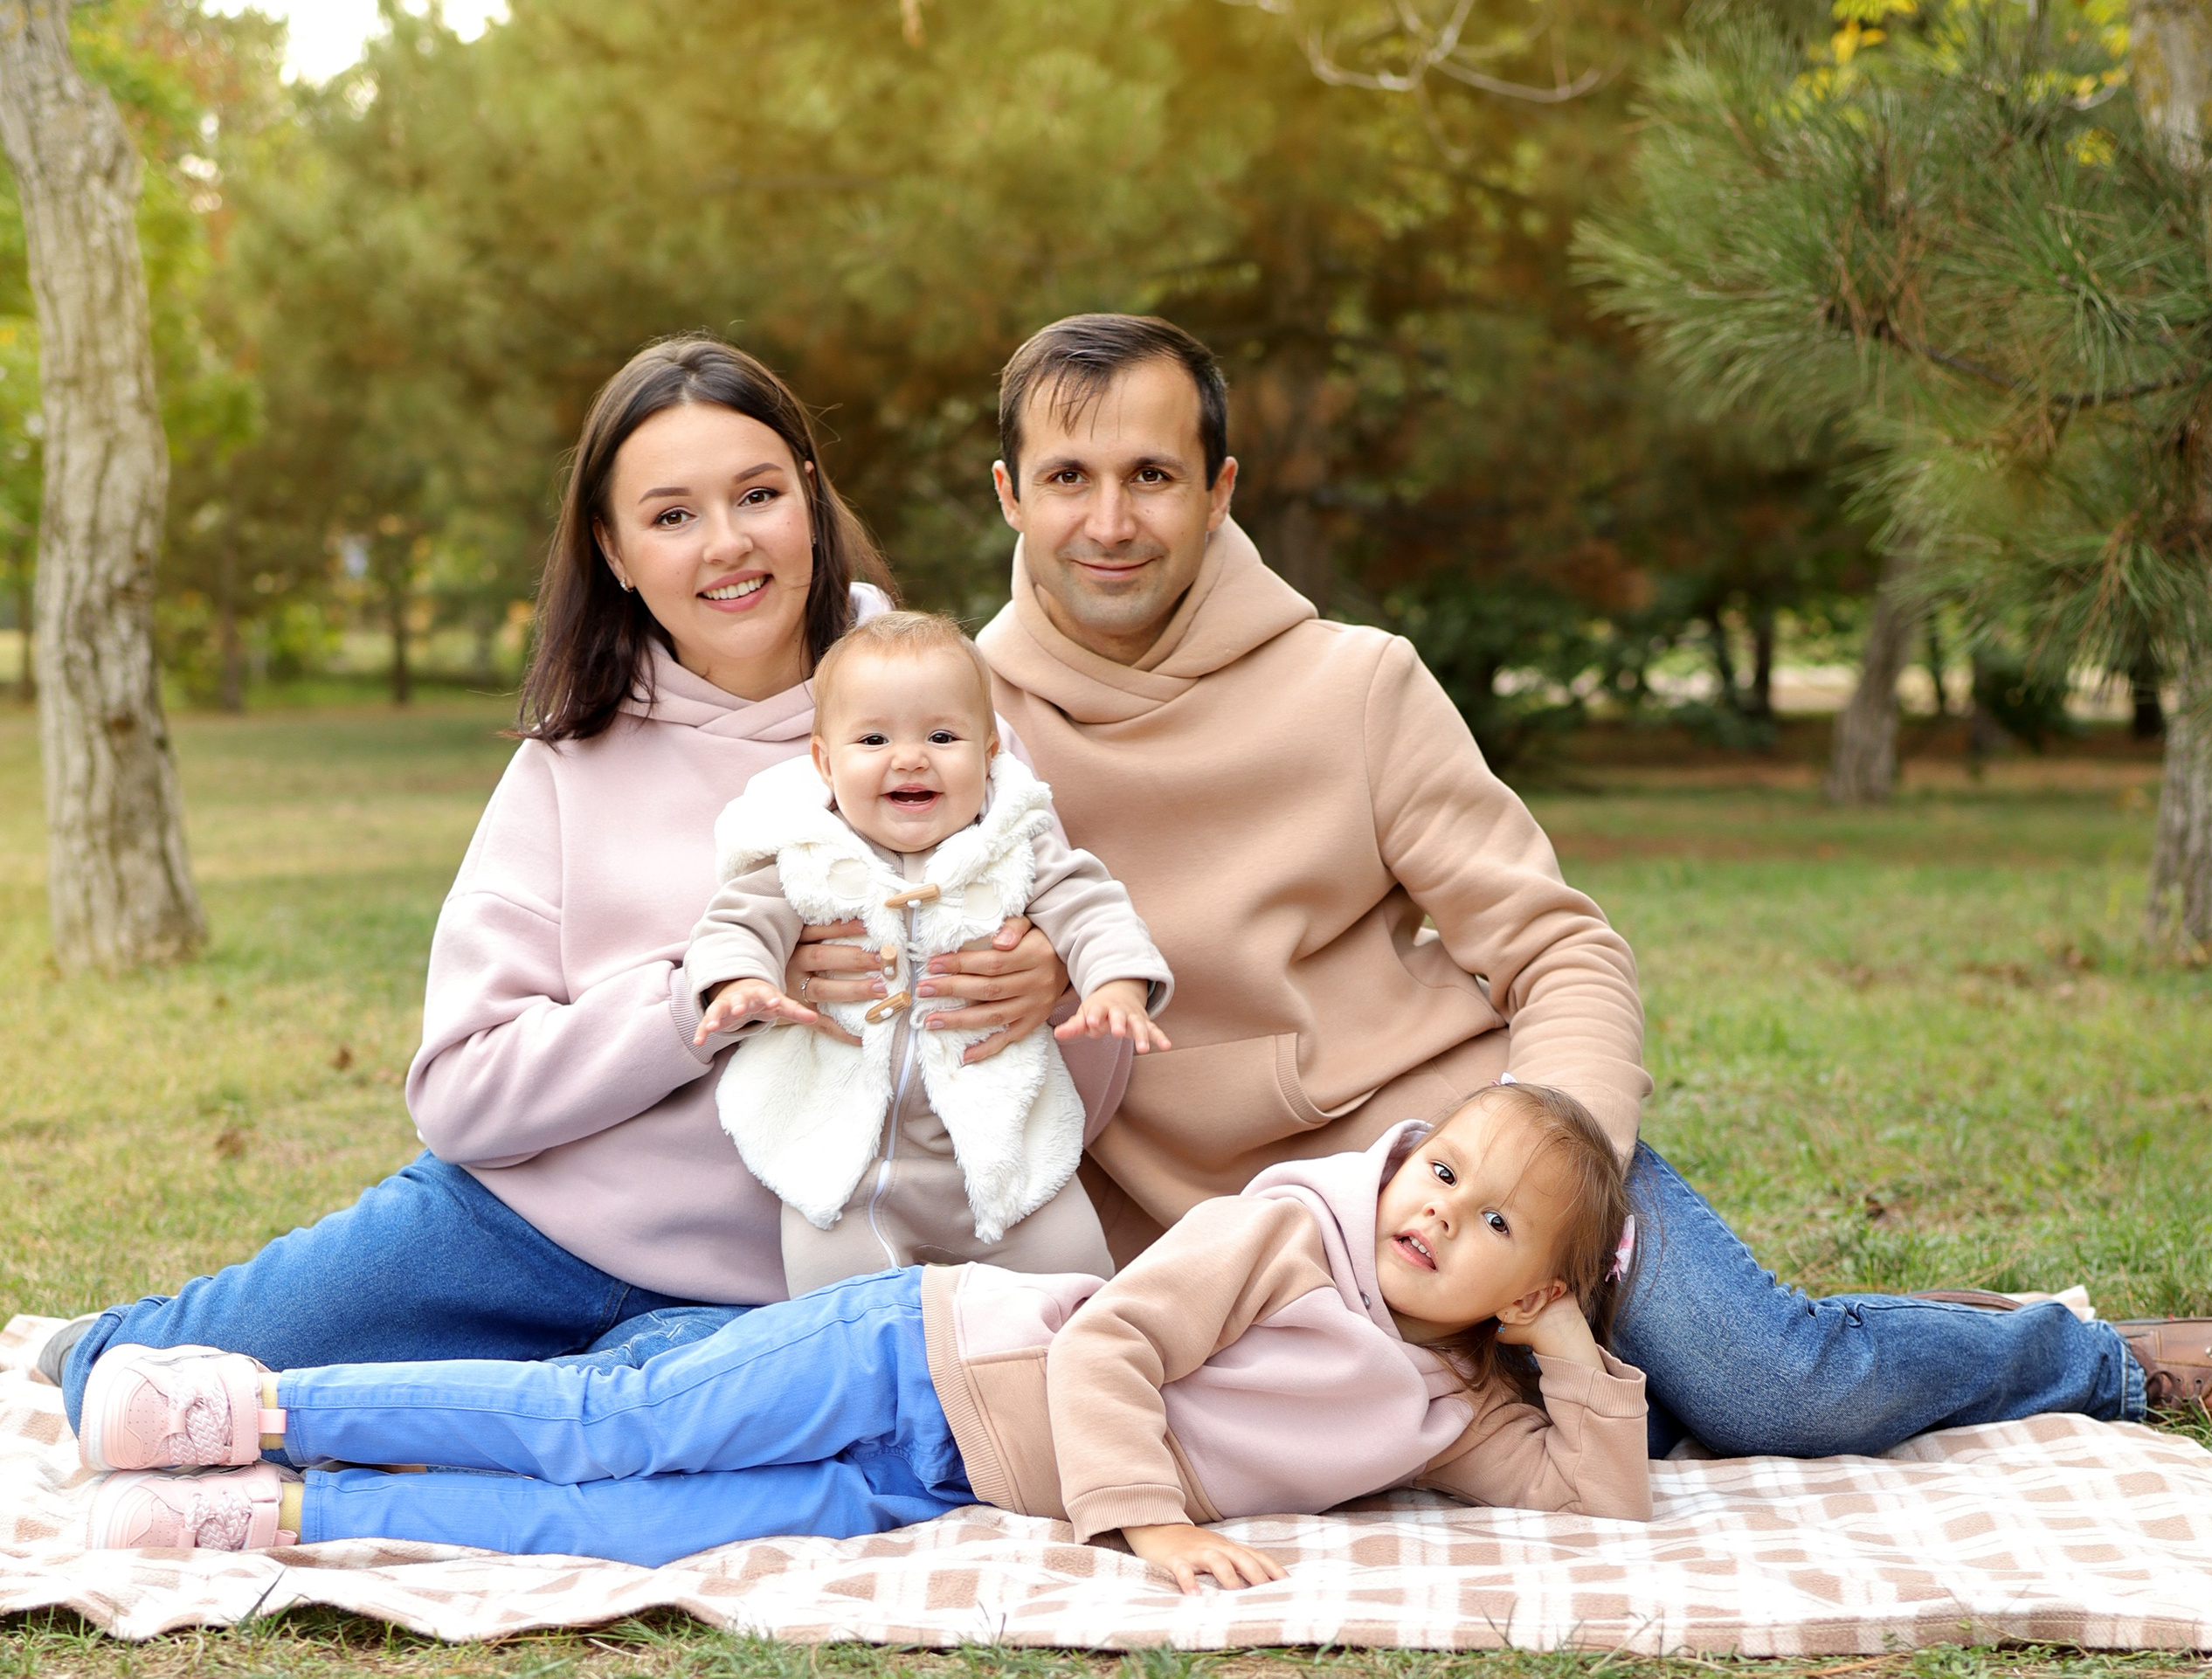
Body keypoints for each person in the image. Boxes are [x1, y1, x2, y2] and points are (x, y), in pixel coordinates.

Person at [971, 311, 2212, 1451]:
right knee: (1648, 1421)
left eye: (1153, 475)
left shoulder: (1354, 683)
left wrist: (1550, 1162)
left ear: (1219, 489)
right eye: (1068, 478)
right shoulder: (953, 724)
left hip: (1474, 1165)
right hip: (1233, 1234)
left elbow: (1557, 946)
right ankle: (1869, 1328)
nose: (1112, 521)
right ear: (1011, 497)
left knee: (1771, 1392)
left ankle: (2105, 1355)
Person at [44, 335, 1098, 1428]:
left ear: (811, 499)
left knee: (615, 1431)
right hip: (509, 1230)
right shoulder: (566, 761)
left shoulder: (944, 728)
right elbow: (457, 1094)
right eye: (672, 514)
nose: (728, 544)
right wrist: (695, 996)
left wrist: (1052, 990)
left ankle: (515, 1404)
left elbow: (1075, 1083)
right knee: (156, 1374)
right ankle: (122, 1347)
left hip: (756, 1290)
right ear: (616, 549)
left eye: (758, 494)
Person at [74, 1081, 1649, 1589]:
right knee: (612, 1424)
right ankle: (253, 1404)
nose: (1437, 1209)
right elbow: (1109, 1350)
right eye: (1445, 1166)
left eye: (1495, 1224)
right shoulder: (1292, 1235)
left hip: (932, 1477)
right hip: (915, 1349)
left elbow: (1598, 1500)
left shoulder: (1448, 1406)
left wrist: (1566, 1353)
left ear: (1526, 1292)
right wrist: (1151, 1520)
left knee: (629, 1537)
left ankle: (270, 1514)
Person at [687, 611, 1172, 1293]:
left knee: (1081, 1297)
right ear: (825, 761)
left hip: (1004, 1163)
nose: (909, 758)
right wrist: (739, 983)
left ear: (991, 754)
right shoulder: (805, 856)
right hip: (844, 1174)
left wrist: (1117, 984)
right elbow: (734, 923)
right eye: (874, 738)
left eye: (942, 736)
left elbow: (1093, 908)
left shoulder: (1014, 849)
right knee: (837, 1331)